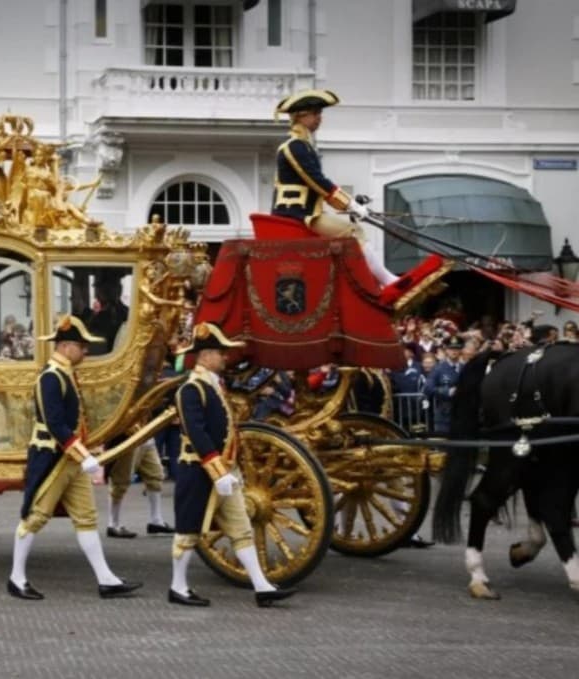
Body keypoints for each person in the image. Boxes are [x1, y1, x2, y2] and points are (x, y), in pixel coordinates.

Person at [7, 315, 141, 601]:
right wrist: (83, 455)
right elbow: (55, 424)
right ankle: (16, 578)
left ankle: (106, 579)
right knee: (35, 517)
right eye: (82, 346)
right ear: (67, 347)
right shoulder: (51, 377)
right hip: (52, 457)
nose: (86, 352)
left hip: (69, 458)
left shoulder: (64, 373)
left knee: (86, 518)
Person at [272, 89, 443, 304]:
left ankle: (373, 282)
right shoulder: (294, 146)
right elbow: (316, 180)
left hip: (304, 211)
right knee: (353, 231)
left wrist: (349, 205)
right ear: (301, 116)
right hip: (297, 214)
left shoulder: (303, 145)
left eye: (319, 114)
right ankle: (387, 280)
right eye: (315, 114)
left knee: (350, 234)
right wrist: (349, 203)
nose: (319, 118)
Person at [169, 322, 295, 607]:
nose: (225, 357)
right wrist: (216, 470)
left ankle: (262, 586)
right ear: (204, 356)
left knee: (241, 528)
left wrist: (228, 469)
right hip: (199, 469)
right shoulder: (191, 389)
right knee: (188, 530)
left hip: (224, 469)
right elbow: (196, 432)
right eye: (220, 352)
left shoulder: (212, 385)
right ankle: (178, 586)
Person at [105, 438, 172, 539]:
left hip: (146, 436)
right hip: (128, 438)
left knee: (155, 476)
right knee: (120, 481)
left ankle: (156, 521)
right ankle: (113, 524)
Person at [423, 335, 463, 435]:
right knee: (443, 446)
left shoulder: (464, 368)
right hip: (444, 414)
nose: (454, 351)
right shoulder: (438, 369)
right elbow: (428, 388)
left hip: (461, 414)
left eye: (457, 348)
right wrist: (447, 391)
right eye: (451, 348)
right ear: (446, 350)